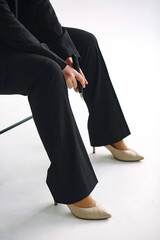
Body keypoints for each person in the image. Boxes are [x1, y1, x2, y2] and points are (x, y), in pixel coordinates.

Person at [0, 0, 144, 220]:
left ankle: (109, 132)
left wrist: (66, 53)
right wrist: (58, 63)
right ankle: (73, 188)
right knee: (48, 71)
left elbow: (41, 8)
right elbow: (6, 24)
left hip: (18, 38)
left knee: (84, 43)